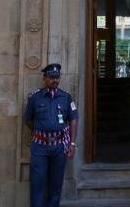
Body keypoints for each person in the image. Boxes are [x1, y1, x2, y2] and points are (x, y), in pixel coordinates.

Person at [23, 63, 79, 207]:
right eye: (51, 77)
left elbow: (73, 118)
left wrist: (72, 143)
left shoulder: (66, 97)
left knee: (55, 185)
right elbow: (27, 120)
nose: (55, 80)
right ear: (44, 78)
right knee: (37, 184)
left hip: (59, 147)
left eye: (57, 77)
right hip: (40, 148)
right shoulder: (35, 97)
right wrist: (41, 131)